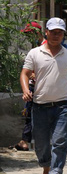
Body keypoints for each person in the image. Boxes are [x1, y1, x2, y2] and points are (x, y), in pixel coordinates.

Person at [19, 18, 67, 174]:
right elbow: (25, 73)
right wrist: (25, 90)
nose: (56, 35)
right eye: (53, 32)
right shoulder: (35, 53)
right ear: (46, 32)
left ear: (63, 34)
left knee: (60, 140)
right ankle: (46, 169)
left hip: (63, 105)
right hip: (39, 105)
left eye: (59, 32)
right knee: (42, 144)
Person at [12, 21, 43, 151]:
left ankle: (25, 140)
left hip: (38, 87)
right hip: (33, 86)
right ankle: (26, 140)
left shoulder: (43, 47)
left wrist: (33, 74)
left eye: (30, 34)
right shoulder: (36, 47)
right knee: (30, 113)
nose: (28, 37)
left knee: (31, 113)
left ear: (37, 34)